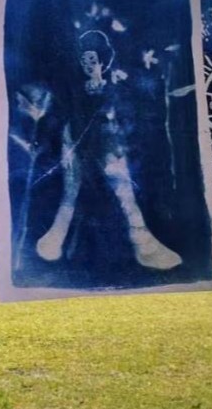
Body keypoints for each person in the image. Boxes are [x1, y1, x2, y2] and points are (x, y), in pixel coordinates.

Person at [34, 30, 183, 271]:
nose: (88, 64)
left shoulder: (114, 87)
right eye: (84, 60)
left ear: (103, 59)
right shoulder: (75, 89)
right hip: (76, 143)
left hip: (109, 146)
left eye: (92, 59)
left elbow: (122, 117)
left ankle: (144, 245)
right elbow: (67, 115)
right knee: (71, 190)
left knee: (124, 191)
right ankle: (56, 238)